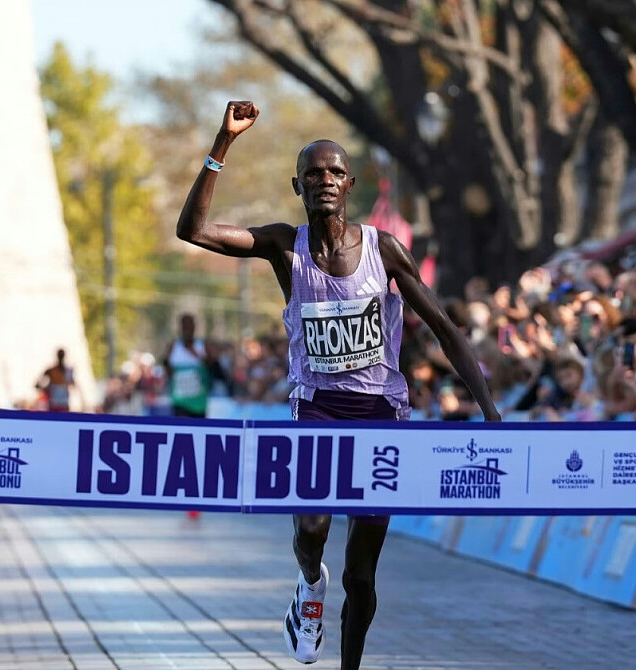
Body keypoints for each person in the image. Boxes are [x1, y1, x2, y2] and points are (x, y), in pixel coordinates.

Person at [175, 101, 501, 669]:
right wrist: (223, 143)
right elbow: (193, 230)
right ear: (297, 186)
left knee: (362, 574)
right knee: (311, 532)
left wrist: (489, 410)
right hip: (317, 407)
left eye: (335, 172)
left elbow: (446, 330)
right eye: (313, 173)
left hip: (381, 414)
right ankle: (308, 588)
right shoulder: (285, 246)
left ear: (349, 184)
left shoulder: (384, 250)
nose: (324, 179)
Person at [162, 313, 212, 419]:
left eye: (190, 326)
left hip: (199, 402)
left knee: (198, 427)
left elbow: (212, 367)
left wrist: (196, 355)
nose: (187, 330)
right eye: (185, 327)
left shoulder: (202, 345)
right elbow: (167, 369)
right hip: (180, 400)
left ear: (194, 327)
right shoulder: (173, 346)